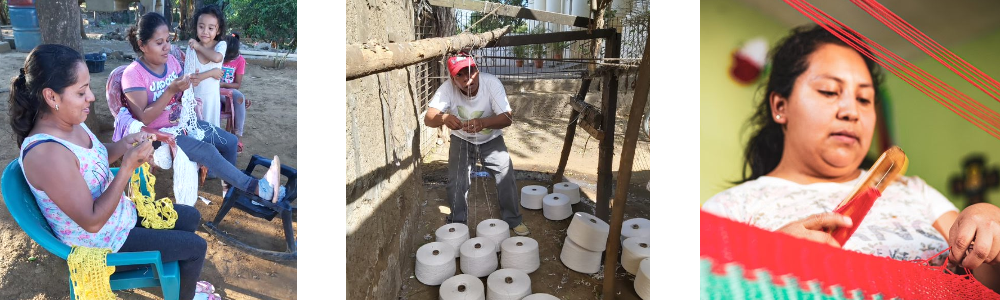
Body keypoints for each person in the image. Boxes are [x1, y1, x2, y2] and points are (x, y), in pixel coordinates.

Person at [701, 24, 1000, 291]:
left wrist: (990, 226)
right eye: (829, 91)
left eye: (864, 99)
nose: (851, 111)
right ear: (781, 105)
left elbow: (989, 282)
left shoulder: (914, 192)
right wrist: (765, 256)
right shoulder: (729, 209)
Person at [6, 44, 226, 300]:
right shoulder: (48, 155)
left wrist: (126, 143)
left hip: (118, 218)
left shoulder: (69, 123)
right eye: (81, 92)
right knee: (196, 247)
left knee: (189, 216)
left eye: (87, 87)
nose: (91, 97)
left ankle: (180, 278)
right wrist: (127, 167)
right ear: (51, 97)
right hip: (102, 243)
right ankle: (185, 295)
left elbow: (96, 155)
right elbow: (91, 221)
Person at [117, 12, 284, 202]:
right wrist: (171, 91)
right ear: (142, 45)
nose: (167, 48)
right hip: (158, 136)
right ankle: (256, 189)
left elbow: (182, 92)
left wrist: (188, 84)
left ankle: (231, 192)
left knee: (229, 142)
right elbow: (144, 118)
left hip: (184, 124)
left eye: (168, 40)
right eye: (159, 43)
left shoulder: (170, 62)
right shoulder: (133, 74)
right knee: (208, 150)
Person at [424, 52, 529, 236]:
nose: (468, 79)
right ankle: (457, 223)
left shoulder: (492, 84)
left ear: (478, 71)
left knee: (506, 174)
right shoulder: (447, 89)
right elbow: (428, 119)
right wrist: (445, 118)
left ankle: (513, 219)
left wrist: (483, 123)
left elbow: (507, 118)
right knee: (457, 181)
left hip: (491, 139)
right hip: (461, 139)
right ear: (453, 79)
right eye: (461, 75)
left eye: (471, 72)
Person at [187, 4, 227, 127]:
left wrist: (198, 46)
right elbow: (189, 78)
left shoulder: (221, 45)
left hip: (212, 100)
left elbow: (216, 58)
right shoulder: (191, 49)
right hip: (195, 99)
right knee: (197, 130)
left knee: (212, 129)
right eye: (201, 27)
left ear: (218, 30)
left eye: (211, 28)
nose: (205, 32)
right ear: (196, 27)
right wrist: (210, 73)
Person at [220, 32, 248, 153]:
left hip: (227, 91)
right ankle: (216, 137)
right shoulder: (217, 55)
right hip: (212, 91)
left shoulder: (240, 60)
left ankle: (237, 137)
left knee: (240, 98)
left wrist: (222, 85)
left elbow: (237, 84)